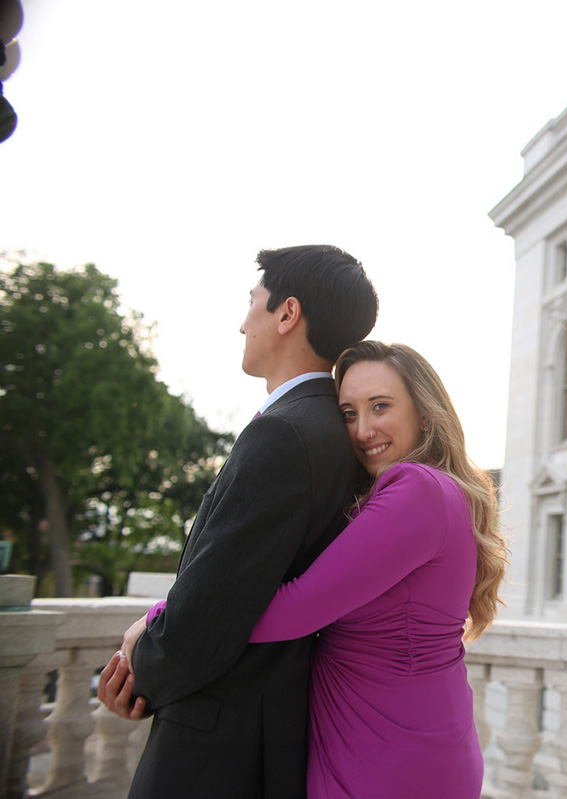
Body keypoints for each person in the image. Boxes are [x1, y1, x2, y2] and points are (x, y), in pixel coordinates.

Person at [126, 341, 509, 799]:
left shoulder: (418, 489)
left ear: (425, 414)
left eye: (380, 407)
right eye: (348, 413)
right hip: (381, 737)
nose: (363, 429)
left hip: (393, 755)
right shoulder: (429, 491)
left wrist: (160, 620)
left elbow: (294, 609)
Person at [98, 245, 378, 799]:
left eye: (253, 302)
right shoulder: (334, 432)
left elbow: (216, 603)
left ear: (287, 313)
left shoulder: (285, 434)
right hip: (269, 731)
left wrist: (139, 677)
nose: (242, 321)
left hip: (219, 739)